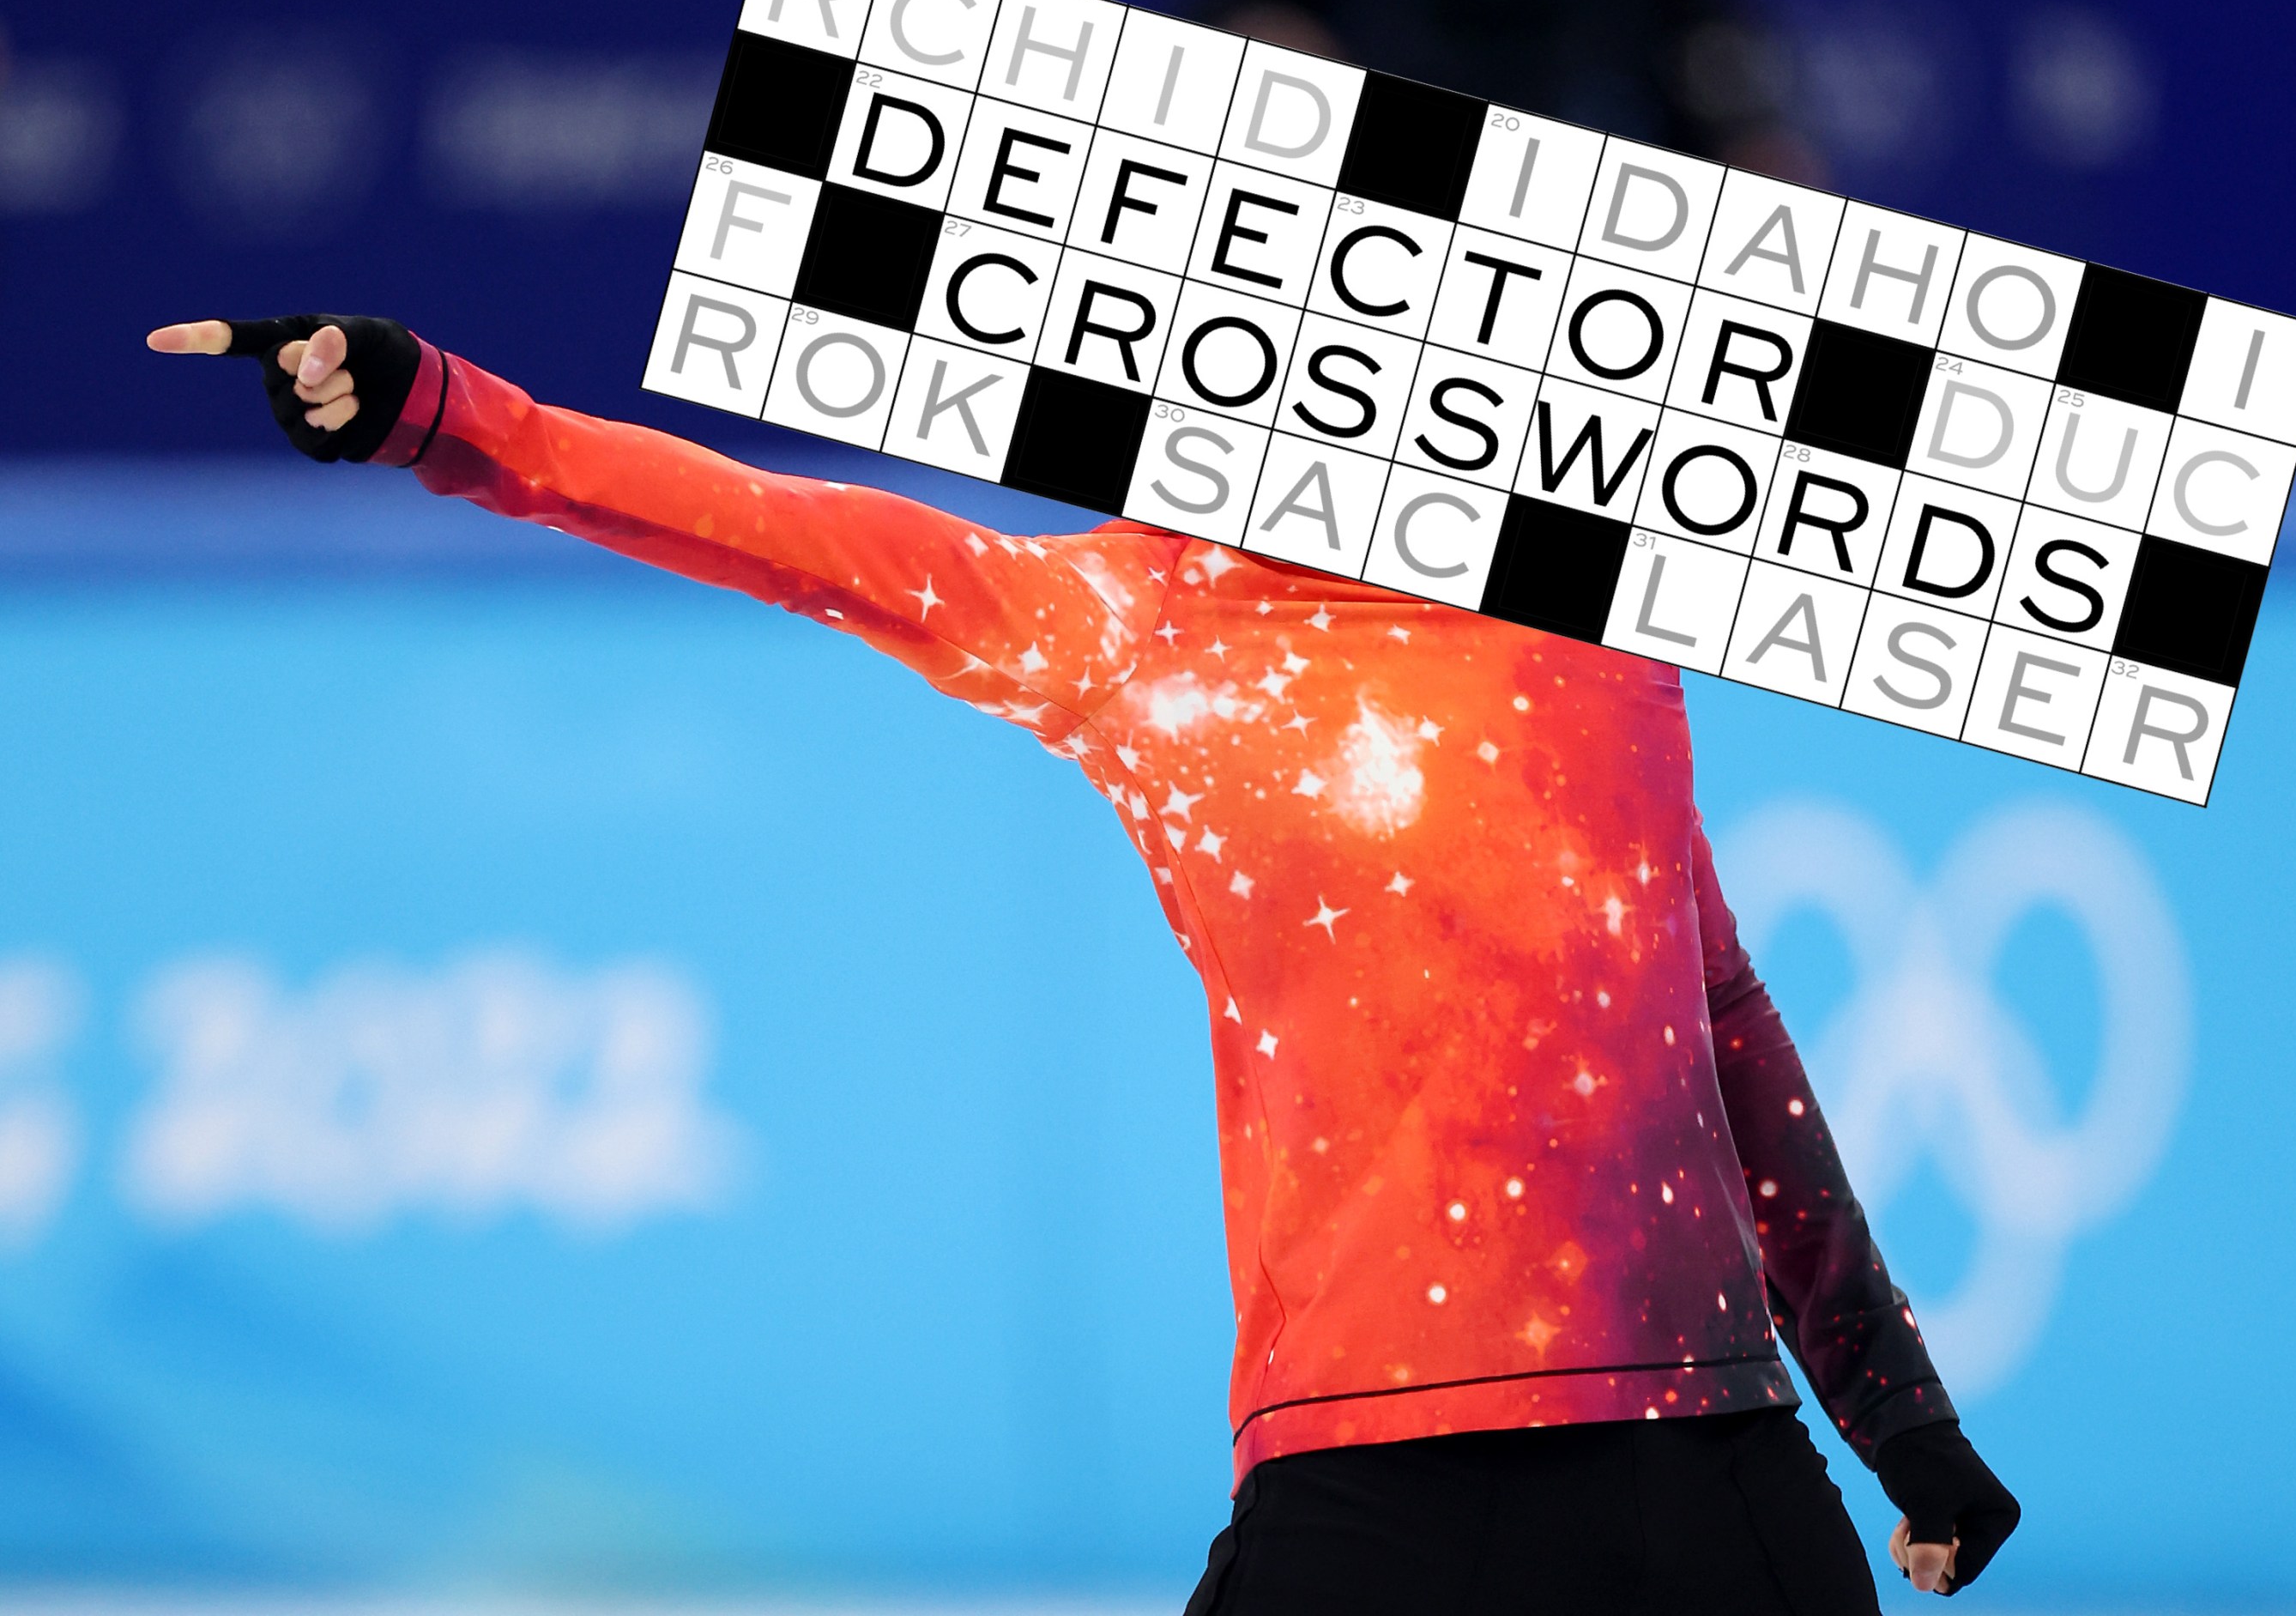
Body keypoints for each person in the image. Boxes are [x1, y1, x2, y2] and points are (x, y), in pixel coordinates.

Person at [148, 313, 2019, 1613]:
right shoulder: (1145, 611)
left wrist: (1903, 1425)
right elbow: (772, 530)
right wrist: (440, 411)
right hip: (1538, 1480)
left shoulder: (1582, 613)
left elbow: (1726, 1037)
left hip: (1627, 1469)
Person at [1187, 0, 1822, 183]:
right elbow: (1248, 10)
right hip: (1384, 162)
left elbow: (1711, 47)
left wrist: (1753, 134)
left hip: (1593, 181)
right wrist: (1268, 38)